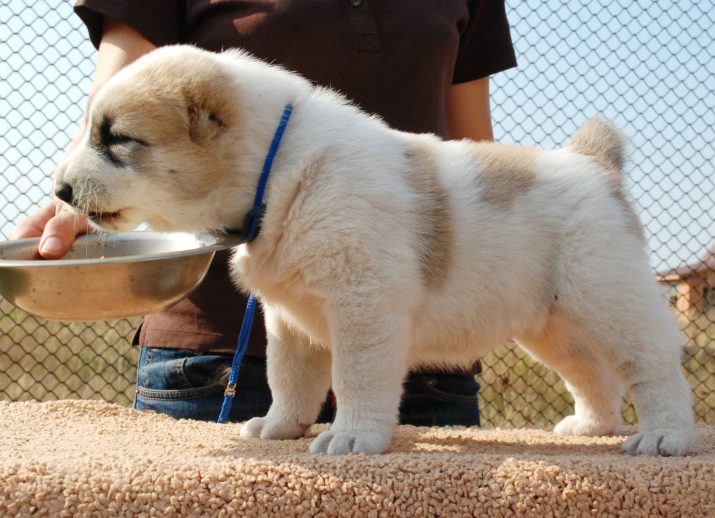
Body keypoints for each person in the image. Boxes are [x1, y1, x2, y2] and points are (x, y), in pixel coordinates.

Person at [12, 1, 516, 425]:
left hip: (421, 351)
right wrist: (80, 196)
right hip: (221, 351)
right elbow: (125, 88)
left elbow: (472, 148)